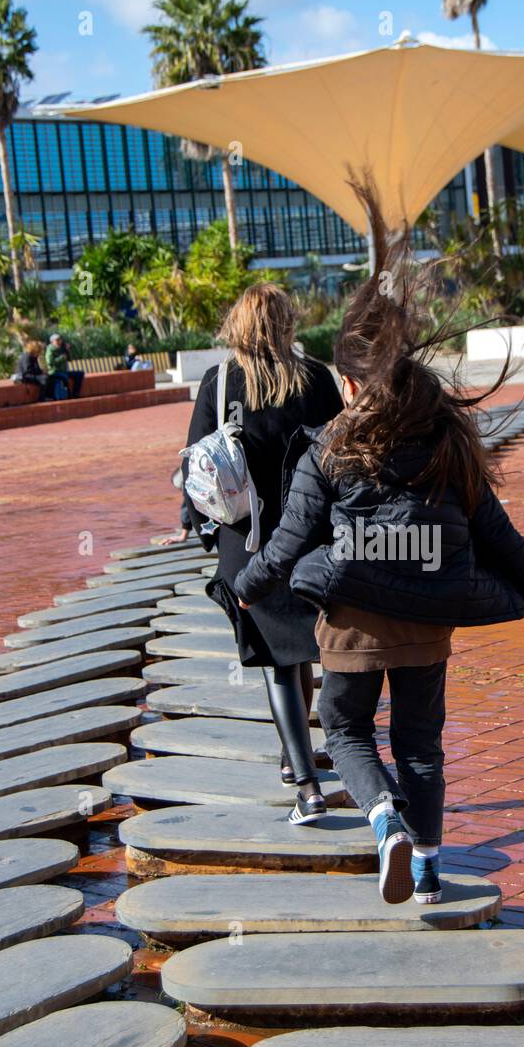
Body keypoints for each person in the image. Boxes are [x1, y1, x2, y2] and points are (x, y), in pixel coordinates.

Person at [235, 176, 524, 906]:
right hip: (430, 617)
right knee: (421, 746)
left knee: (344, 726)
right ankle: (428, 874)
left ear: (351, 385)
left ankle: (383, 823)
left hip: (353, 617)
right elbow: (492, 528)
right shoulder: (448, 433)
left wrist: (246, 590)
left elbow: (289, 543)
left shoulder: (328, 446)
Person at [183, 284, 342, 820]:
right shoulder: (317, 379)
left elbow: (194, 467)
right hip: (308, 536)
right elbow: (345, 455)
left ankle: (305, 785)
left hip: (244, 540)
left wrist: (196, 524)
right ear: (287, 322)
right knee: (299, 647)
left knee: (278, 660)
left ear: (238, 324)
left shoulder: (220, 381)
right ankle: (296, 756)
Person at [45, 333, 84, 401]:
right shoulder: (50, 350)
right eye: (57, 340)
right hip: (55, 372)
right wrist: (61, 358)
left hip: (64, 371)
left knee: (80, 374)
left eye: (60, 340)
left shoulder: (62, 348)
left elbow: (70, 359)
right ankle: (68, 396)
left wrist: (67, 350)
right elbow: (50, 362)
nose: (59, 342)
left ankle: (76, 393)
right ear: (52, 342)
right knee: (64, 377)